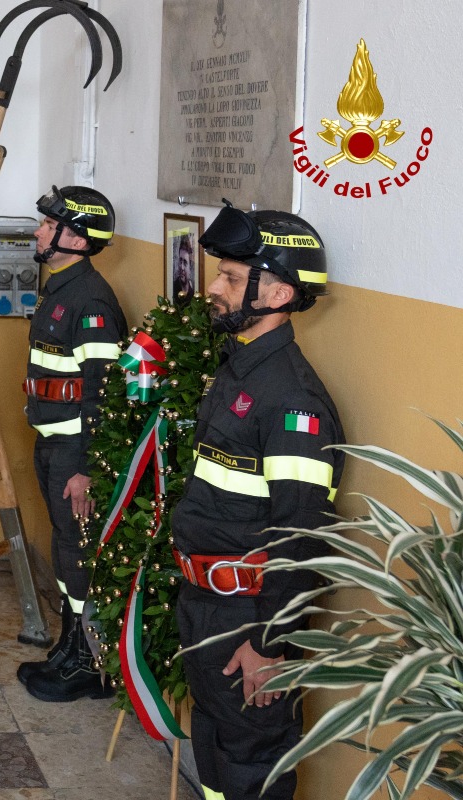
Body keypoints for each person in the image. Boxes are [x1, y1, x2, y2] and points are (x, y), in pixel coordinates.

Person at [172, 203, 343, 800]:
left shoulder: (293, 402)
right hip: (206, 604)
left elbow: (302, 539)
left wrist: (270, 647)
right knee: (215, 753)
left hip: (248, 619)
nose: (213, 289)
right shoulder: (238, 371)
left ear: (277, 295)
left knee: (252, 764)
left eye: (231, 279)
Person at [17, 185, 127, 702]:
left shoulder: (93, 300)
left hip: (73, 452)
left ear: (76, 238)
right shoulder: (59, 287)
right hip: (51, 441)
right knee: (66, 549)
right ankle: (71, 644)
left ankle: (90, 663)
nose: (39, 231)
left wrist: (85, 468)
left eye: (48, 225)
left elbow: (104, 394)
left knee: (79, 551)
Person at [173, 232, 196, 301]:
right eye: (180, 261)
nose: (182, 267)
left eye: (185, 263)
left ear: (190, 267)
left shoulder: (193, 293)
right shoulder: (173, 288)